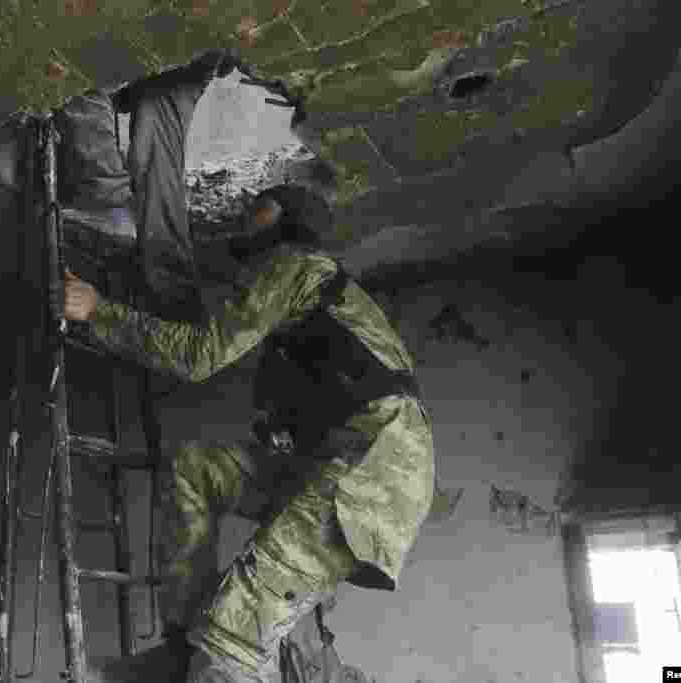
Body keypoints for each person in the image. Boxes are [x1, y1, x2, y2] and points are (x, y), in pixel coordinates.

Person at [51, 54, 436, 683]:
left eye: (260, 205)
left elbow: (200, 354)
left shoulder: (298, 267)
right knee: (197, 470)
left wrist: (98, 311)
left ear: (284, 221)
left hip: (371, 470)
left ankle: (213, 657)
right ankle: (183, 642)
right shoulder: (294, 314)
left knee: (231, 641)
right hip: (332, 458)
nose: (245, 212)